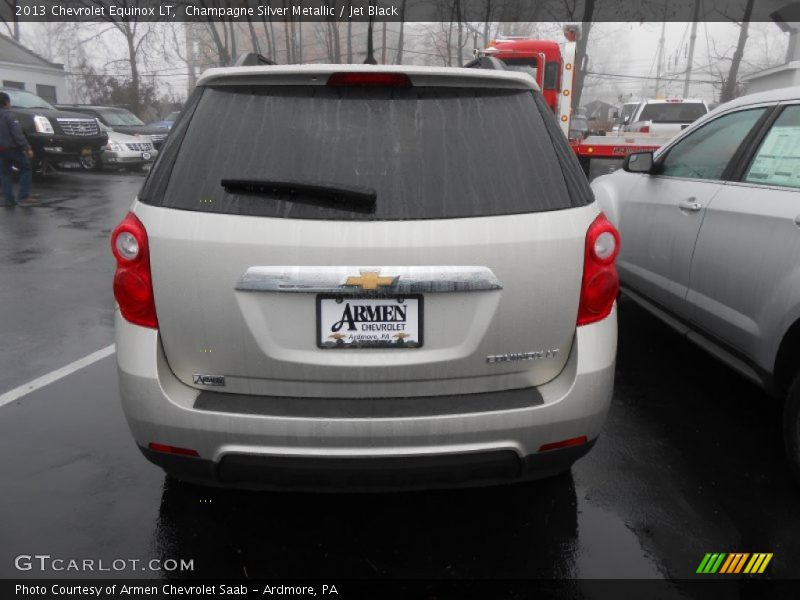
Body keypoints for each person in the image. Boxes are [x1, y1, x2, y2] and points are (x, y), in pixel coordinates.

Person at [0, 92, 33, 207]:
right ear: (7, 102)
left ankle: (9, 199)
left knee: (5, 174)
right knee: (26, 168)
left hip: (1, 150)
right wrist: (27, 148)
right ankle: (24, 196)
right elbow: (17, 134)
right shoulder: (10, 115)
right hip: (13, 148)